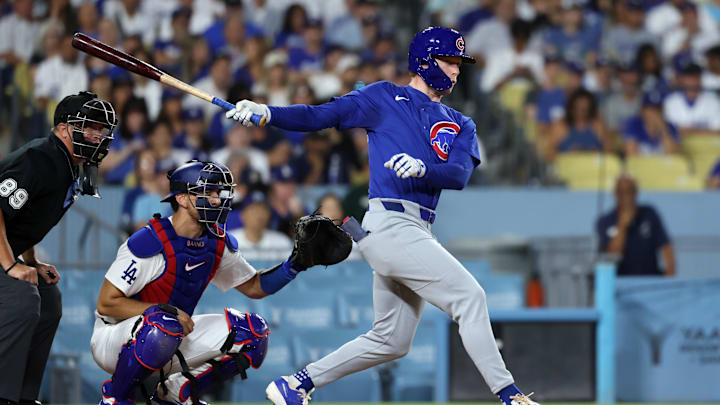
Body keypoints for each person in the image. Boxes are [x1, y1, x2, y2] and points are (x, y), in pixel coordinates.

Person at [226, 26, 540, 405]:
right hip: (389, 223)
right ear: (425, 61)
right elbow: (319, 115)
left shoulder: (462, 122)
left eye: (459, 64)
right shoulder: (383, 97)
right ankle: (510, 396)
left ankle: (296, 384)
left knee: (391, 341)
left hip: (415, 228)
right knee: (470, 298)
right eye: (450, 61)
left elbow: (458, 175)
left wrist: (424, 168)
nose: (456, 71)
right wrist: (266, 113)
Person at [92, 160, 316, 405]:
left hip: (169, 335)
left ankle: (175, 393)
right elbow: (106, 304)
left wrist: (295, 264)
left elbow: (254, 286)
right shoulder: (150, 241)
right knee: (163, 322)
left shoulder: (216, 241)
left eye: (218, 193)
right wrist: (163, 311)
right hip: (115, 339)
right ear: (182, 199)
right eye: (206, 193)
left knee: (253, 334)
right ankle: (115, 397)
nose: (216, 200)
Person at [0, 91, 117, 405]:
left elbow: (23, 219)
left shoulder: (68, 164)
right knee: (22, 298)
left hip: (6, 250)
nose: (98, 135)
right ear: (65, 128)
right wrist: (11, 265)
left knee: (49, 299)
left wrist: (31, 261)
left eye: (102, 129)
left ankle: (24, 396)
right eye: (90, 126)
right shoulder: (41, 157)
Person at [596, 174, 676, 276]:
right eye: (622, 192)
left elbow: (666, 248)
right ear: (616, 194)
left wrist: (669, 278)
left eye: (630, 191)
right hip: (622, 282)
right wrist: (622, 226)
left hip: (650, 280)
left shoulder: (649, 213)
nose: (626, 196)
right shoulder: (605, 221)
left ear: (636, 192)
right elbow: (611, 257)